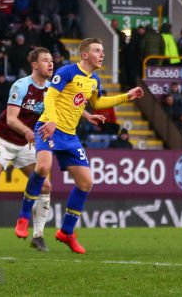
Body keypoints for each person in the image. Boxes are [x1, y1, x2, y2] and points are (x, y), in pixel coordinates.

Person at [0, 48, 101, 251]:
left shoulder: (52, 88)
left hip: (28, 143)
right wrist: (28, 132)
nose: (51, 64)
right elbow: (11, 119)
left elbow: (70, 104)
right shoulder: (21, 86)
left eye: (52, 61)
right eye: (46, 61)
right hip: (4, 141)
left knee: (46, 185)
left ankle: (38, 235)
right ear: (34, 65)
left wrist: (87, 116)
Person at [24, 38, 143, 254]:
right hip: (50, 128)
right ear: (85, 55)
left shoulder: (94, 80)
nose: (102, 54)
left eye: (103, 50)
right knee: (42, 169)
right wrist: (50, 119)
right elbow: (50, 96)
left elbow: (97, 103)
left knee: (86, 182)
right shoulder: (67, 72)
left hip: (70, 135)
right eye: (98, 50)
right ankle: (23, 217)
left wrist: (127, 96)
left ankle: (66, 232)